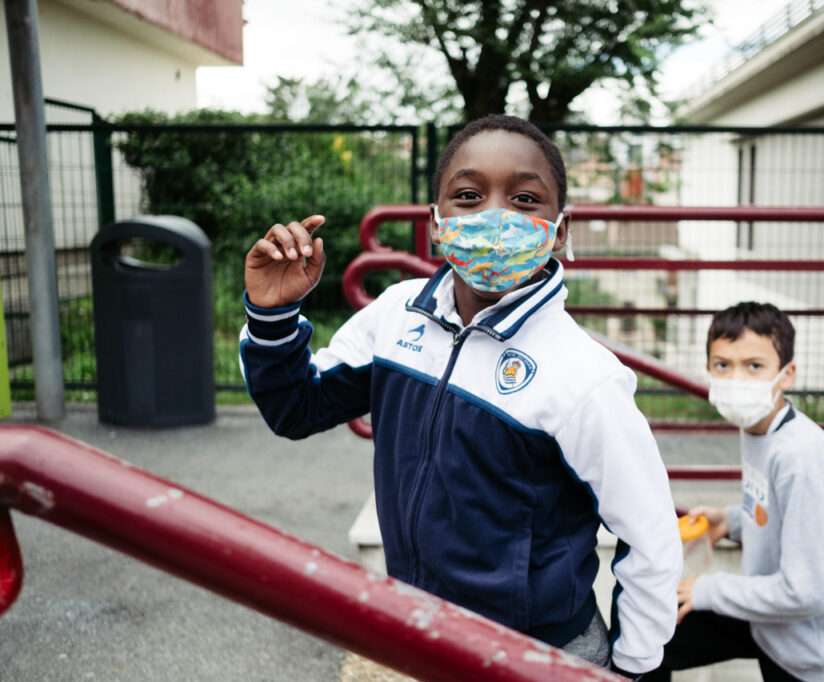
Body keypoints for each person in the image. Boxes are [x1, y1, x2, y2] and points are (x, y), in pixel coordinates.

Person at [239, 114, 682, 678]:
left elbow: (649, 537)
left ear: (560, 229)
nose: (495, 216)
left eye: (524, 199)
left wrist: (631, 667)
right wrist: (272, 315)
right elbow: (296, 408)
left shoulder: (585, 378)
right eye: (468, 195)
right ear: (436, 221)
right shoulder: (395, 314)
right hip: (422, 633)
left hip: (539, 656)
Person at [648, 301, 824, 682]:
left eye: (754, 366)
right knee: (651, 636)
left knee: (665, 627)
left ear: (786, 375)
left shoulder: (800, 457)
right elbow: (777, 510)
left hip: (823, 658)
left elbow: (808, 593)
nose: (737, 379)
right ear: (707, 370)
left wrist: (709, 589)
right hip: (775, 630)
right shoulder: (759, 426)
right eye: (723, 365)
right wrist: (731, 519)